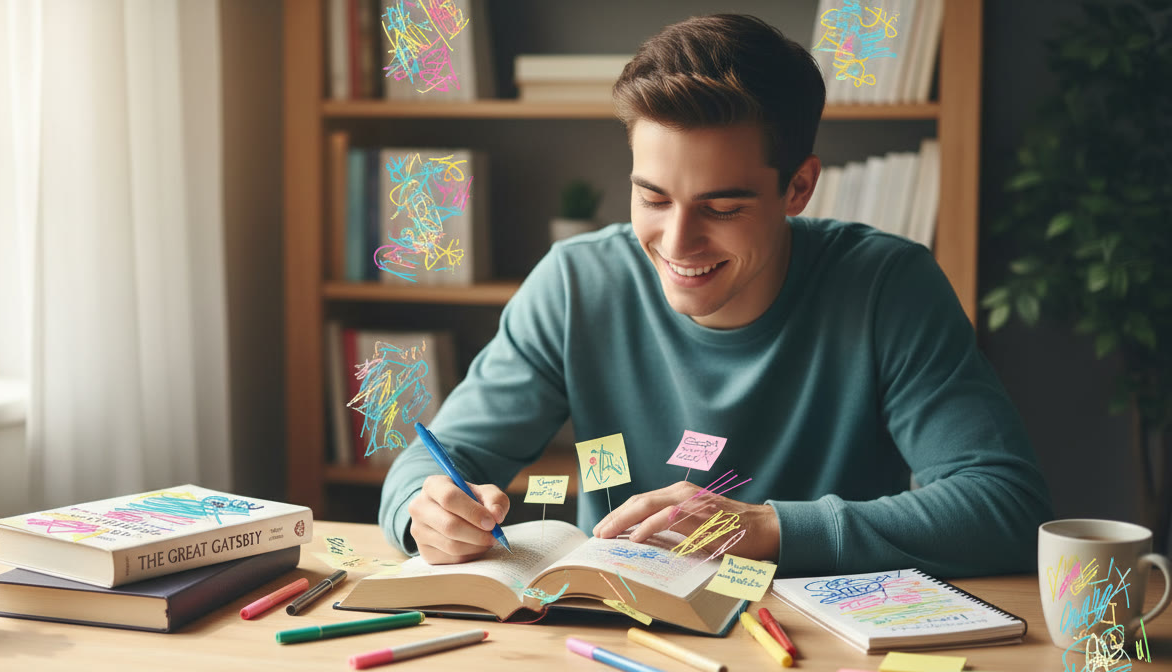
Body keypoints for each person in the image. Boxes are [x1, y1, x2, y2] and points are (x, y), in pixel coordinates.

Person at [378, 13, 1051, 577]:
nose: (678, 242)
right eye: (652, 197)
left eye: (722, 207)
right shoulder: (576, 284)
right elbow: (438, 461)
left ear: (799, 188)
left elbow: (1004, 505)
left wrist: (768, 529)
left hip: (825, 651)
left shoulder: (886, 287)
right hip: (612, 636)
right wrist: (425, 510)